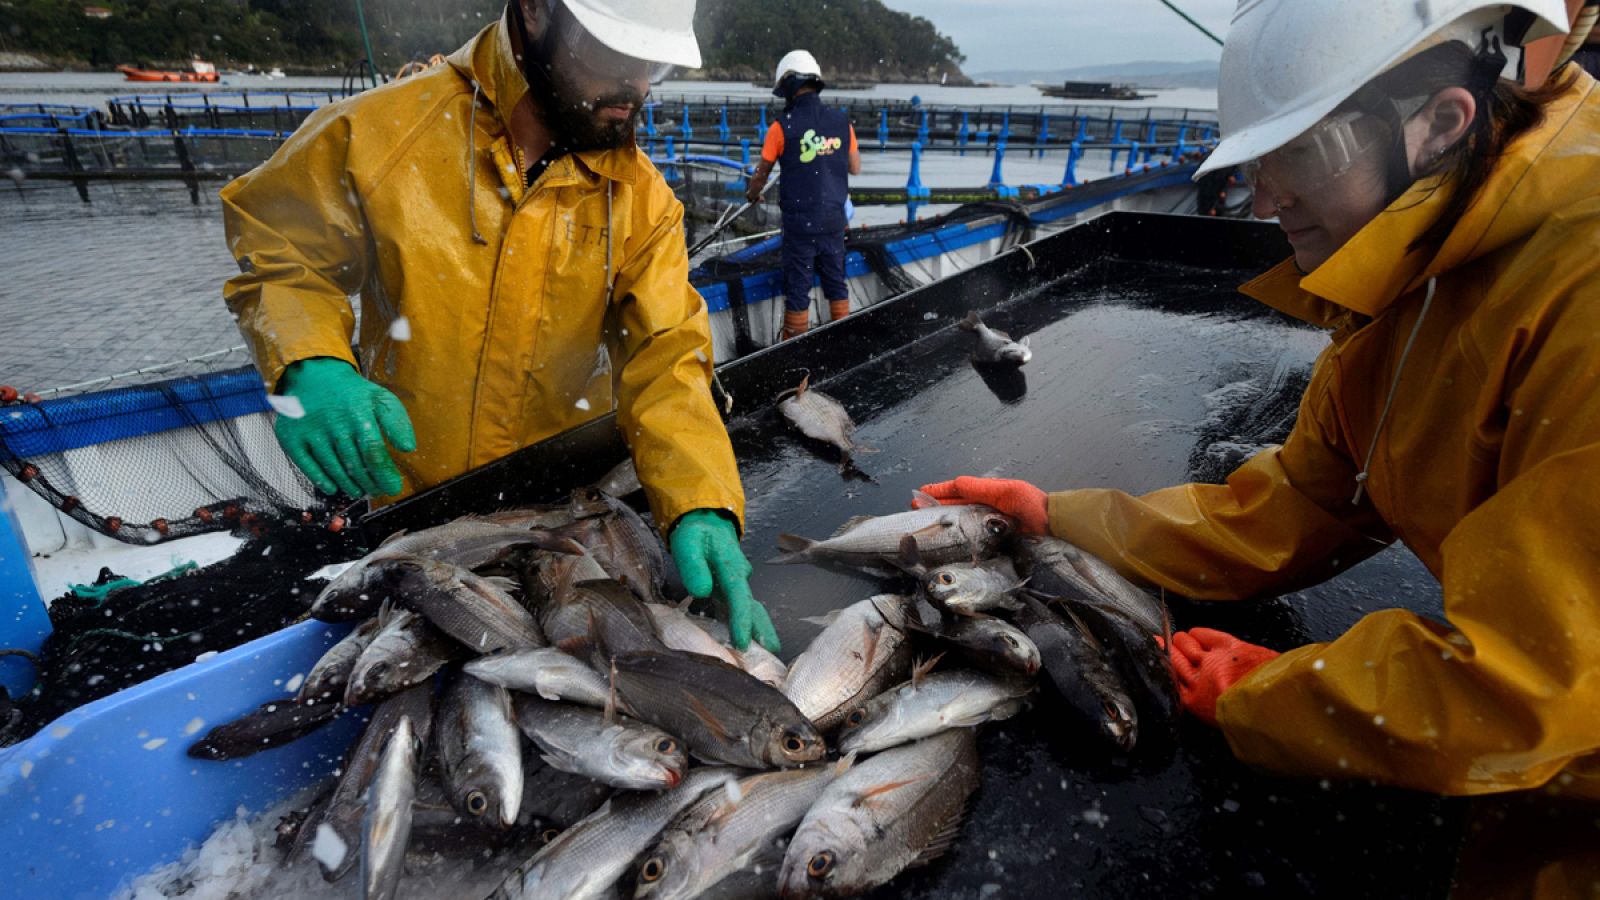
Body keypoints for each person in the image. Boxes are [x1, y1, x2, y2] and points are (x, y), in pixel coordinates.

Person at [920, 0, 1600, 889]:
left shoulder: (1579, 290)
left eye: (1299, 155)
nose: (1264, 196)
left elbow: (1548, 678)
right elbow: (1309, 497)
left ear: (1442, 122)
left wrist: (1281, 697)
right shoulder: (1433, 254)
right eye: (1256, 160)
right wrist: (1057, 516)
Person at [219, 0, 779, 652]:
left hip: (562, 517)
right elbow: (282, 253)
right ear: (536, 15)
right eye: (613, 54)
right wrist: (311, 361)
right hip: (414, 515)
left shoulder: (642, 200)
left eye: (652, 62)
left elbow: (665, 355)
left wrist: (701, 501)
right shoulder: (382, 133)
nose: (638, 85)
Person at [744, 50, 862, 341]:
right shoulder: (841, 123)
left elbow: (762, 173)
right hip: (834, 221)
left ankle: (795, 352)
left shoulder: (780, 127)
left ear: (787, 87)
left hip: (800, 225)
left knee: (798, 290)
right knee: (836, 283)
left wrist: (752, 194)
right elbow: (855, 168)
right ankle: (842, 341)